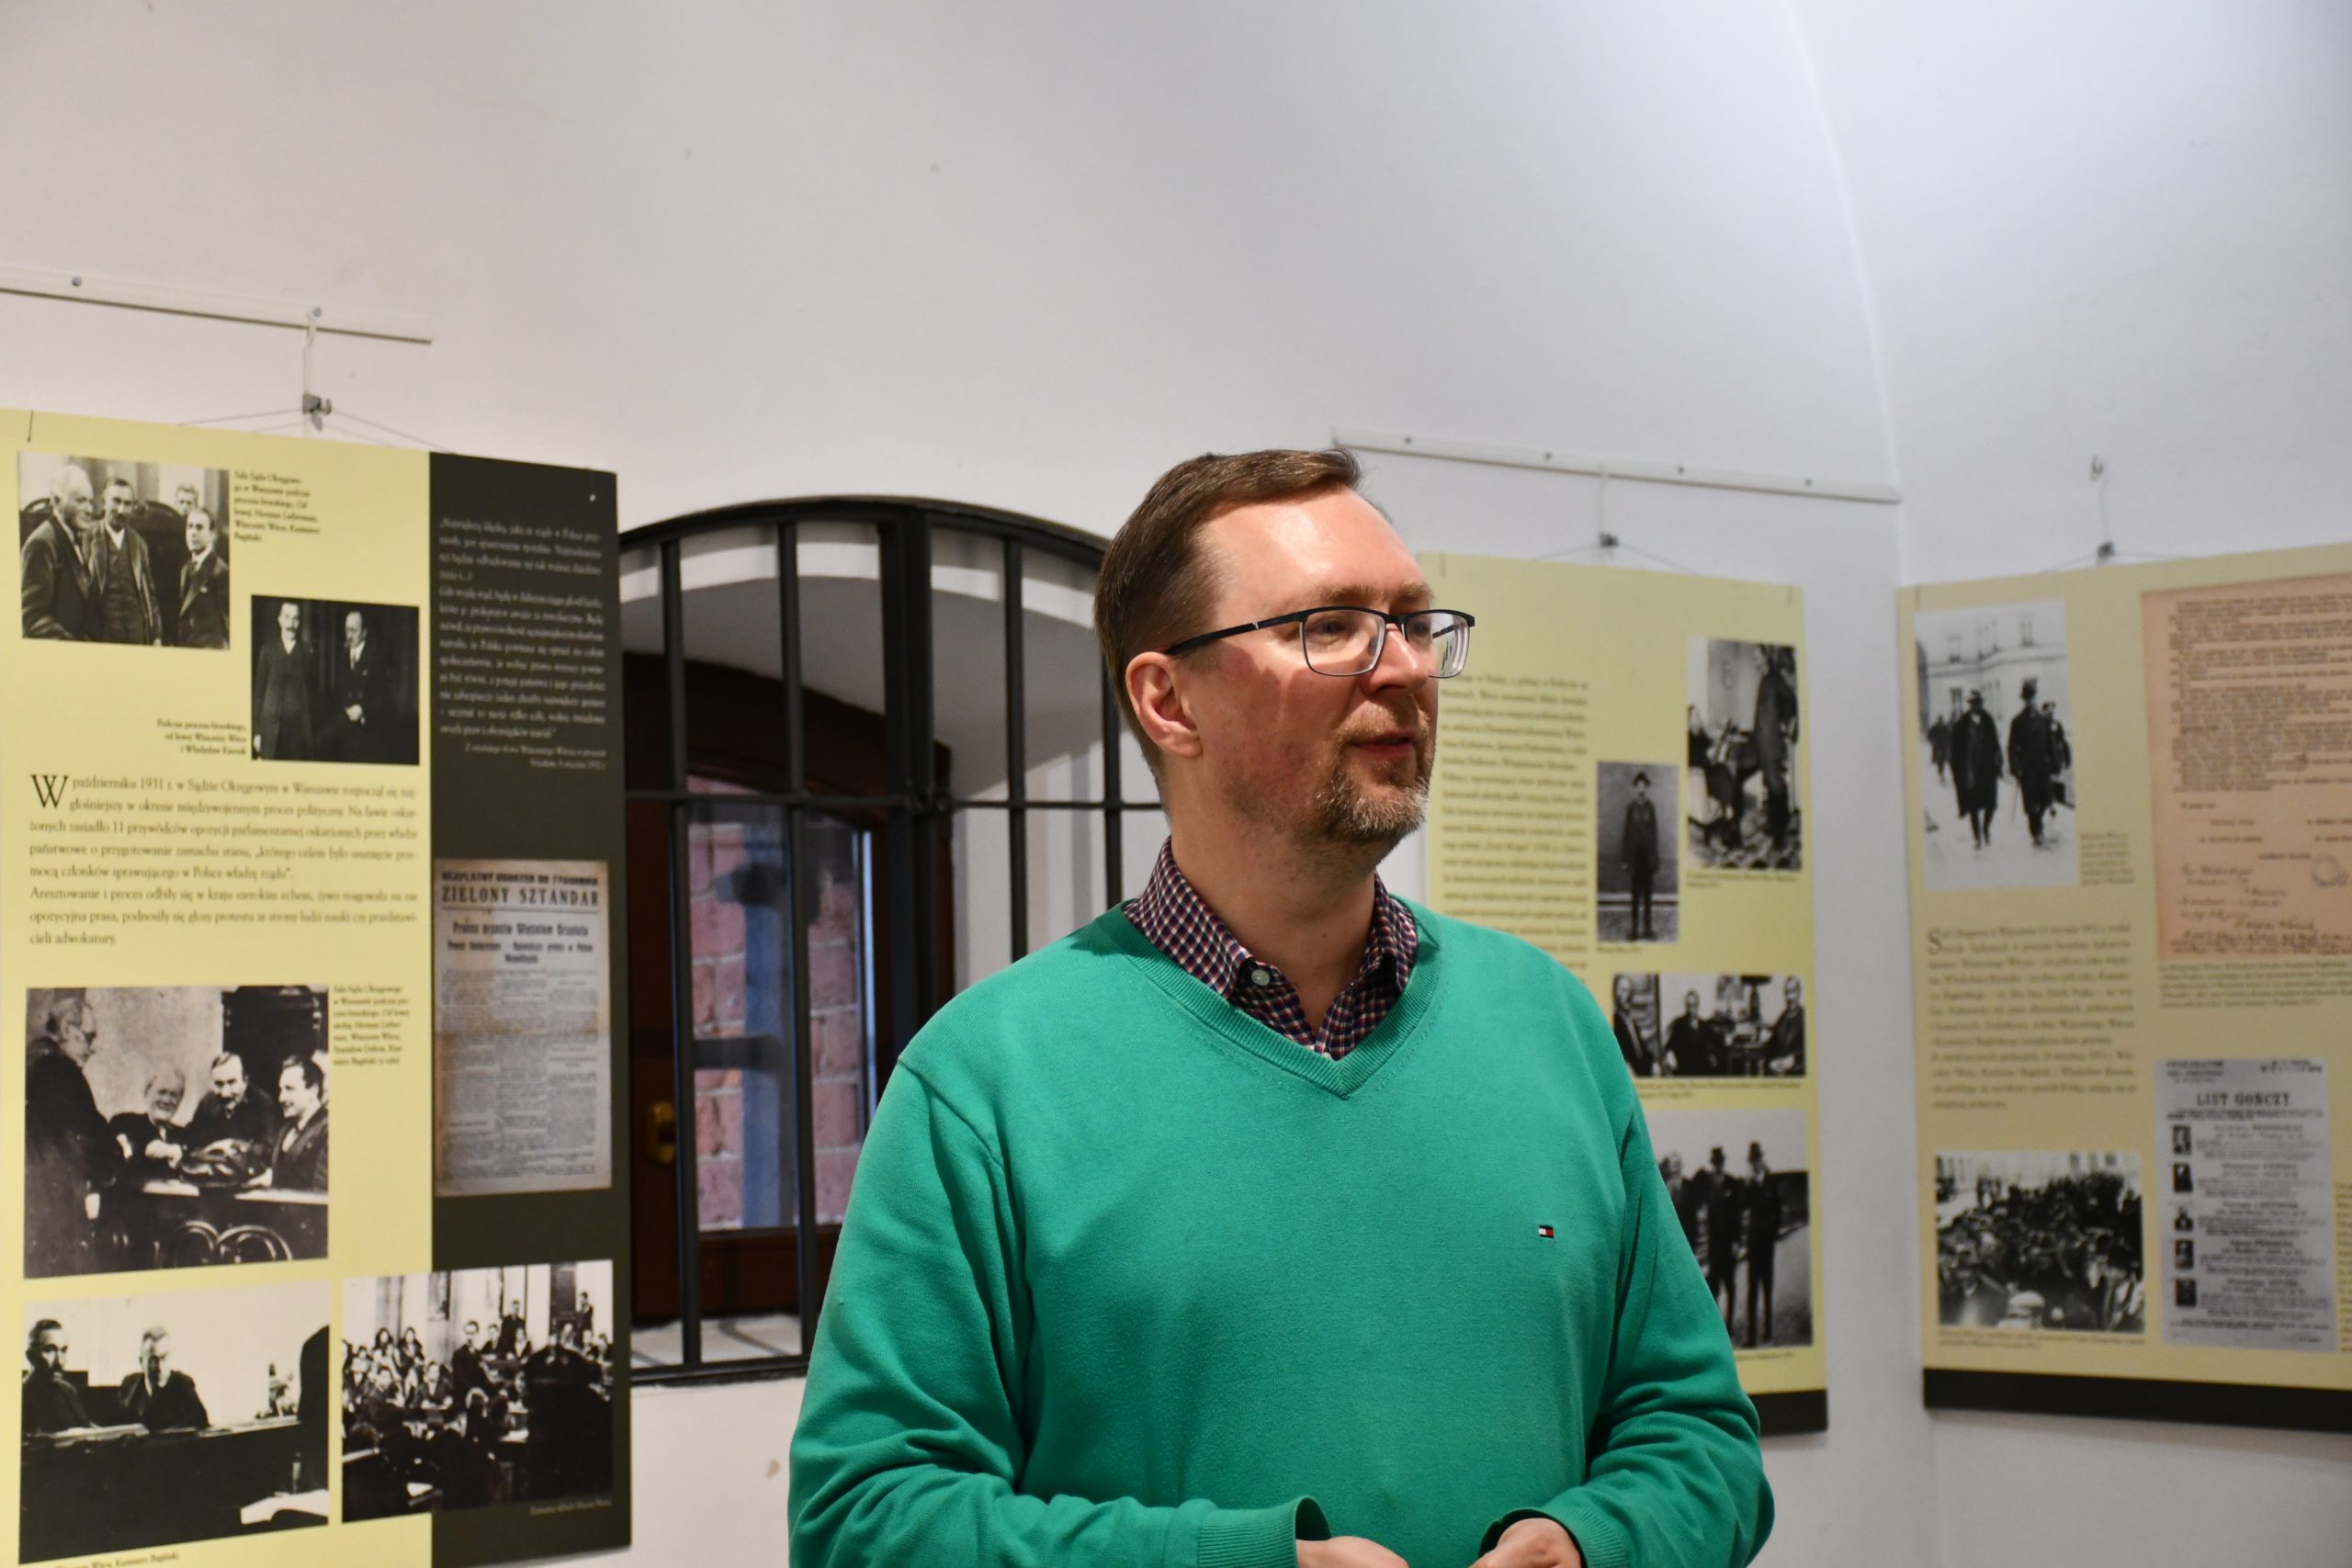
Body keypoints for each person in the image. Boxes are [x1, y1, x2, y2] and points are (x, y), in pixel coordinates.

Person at [789, 448, 1770, 1568]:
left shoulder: (1547, 1024)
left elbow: (1699, 1437)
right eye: (1331, 626)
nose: (1403, 666)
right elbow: (865, 1522)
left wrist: (1591, 1542)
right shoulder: (984, 1082)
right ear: (1169, 701)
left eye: (1411, 622)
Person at [25, 998, 118, 1276]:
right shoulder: (61, 1071)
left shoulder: (28, 1065)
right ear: (66, 1029)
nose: (92, 1047)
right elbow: (88, 1138)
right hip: (57, 1204)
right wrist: (117, 1154)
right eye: (88, 1037)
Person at [20, 465, 96, 639]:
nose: (89, 510)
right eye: (80, 500)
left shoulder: (74, 536)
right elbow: (33, 620)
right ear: (56, 501)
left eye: (90, 501)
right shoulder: (42, 544)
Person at [86, 477, 163, 645]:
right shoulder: (86, 537)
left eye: (127, 504)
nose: (121, 510)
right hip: (101, 636)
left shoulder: (139, 544)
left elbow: (149, 593)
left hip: (137, 635)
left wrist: (156, 635)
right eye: (116, 501)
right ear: (104, 503)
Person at [183, 1052, 277, 1168]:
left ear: (245, 1081)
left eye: (231, 1082)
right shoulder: (208, 1103)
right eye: (219, 1084)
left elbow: (269, 1149)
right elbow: (191, 1137)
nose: (225, 1093)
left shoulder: (262, 1103)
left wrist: (233, 1145)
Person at [329, 609, 395, 761]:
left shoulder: (377, 657)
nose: (349, 635)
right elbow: (338, 692)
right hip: (346, 722)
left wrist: (362, 709)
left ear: (364, 632)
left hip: (371, 725)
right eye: (347, 630)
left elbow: (383, 697)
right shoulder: (342, 657)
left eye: (354, 630)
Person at [1750, 646, 1798, 853]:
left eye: (1757, 656)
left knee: (1777, 787)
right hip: (1762, 745)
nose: (1755, 660)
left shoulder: (1775, 678)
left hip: (1772, 745)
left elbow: (1791, 700)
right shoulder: (1764, 680)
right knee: (1770, 787)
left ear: (1766, 657)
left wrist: (1785, 724)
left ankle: (1780, 835)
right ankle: (1773, 824)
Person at [254, 599, 313, 758]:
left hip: (297, 736)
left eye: (295, 619)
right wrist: (257, 733)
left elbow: (310, 699)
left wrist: (309, 736)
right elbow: (258, 695)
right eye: (287, 617)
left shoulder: (307, 654)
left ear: (299, 622)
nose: (291, 624)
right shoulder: (267, 651)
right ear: (279, 619)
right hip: (271, 733)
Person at [109, 1066, 190, 1183]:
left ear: (180, 1099)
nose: (167, 1100)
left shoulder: (184, 1135)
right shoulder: (124, 1123)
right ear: (147, 1092)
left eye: (173, 1095)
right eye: (162, 1092)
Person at [118, 1326, 209, 1429]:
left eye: (164, 1358)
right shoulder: (130, 1385)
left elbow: (201, 1426)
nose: (160, 1367)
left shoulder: (183, 1386)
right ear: (141, 1362)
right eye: (153, 1360)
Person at [263, 1055, 329, 1191]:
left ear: (313, 1090)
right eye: (281, 1090)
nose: (281, 1098)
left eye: (290, 1089)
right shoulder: (286, 1128)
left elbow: (322, 1192)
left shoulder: (328, 1129)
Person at [2007, 677, 2057, 846]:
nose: (2030, 701)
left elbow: (2051, 743)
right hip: (2027, 769)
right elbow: (2012, 747)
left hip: (2043, 766)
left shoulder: (2043, 720)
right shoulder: (2017, 721)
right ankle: (2036, 831)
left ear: (2035, 698)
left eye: (2032, 698)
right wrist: (2016, 768)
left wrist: (2056, 764)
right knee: (2031, 803)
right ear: (2024, 700)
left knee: (2045, 800)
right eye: (2027, 699)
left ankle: (2038, 825)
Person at [1948, 690, 2002, 849]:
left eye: (1979, 703)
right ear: (1970, 705)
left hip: (1987, 770)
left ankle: (1986, 829)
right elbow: (1955, 751)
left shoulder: (1988, 720)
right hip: (1970, 771)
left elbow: (1996, 745)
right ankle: (1977, 837)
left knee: (1991, 805)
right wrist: (1958, 771)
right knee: (1973, 806)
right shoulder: (1961, 724)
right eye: (1974, 703)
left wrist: (1998, 763)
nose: (1977, 706)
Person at [1742, 1144, 1783, 1348]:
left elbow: (1779, 1212)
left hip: (1767, 1246)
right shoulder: (1750, 1184)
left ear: (1761, 1160)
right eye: (1752, 1161)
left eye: (1757, 1160)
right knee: (1752, 1291)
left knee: (1767, 1288)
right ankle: (1751, 1336)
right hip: (1753, 1245)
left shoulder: (1771, 1182)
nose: (1755, 1163)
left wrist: (1772, 1234)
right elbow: (1742, 1205)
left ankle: (1767, 1331)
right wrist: (1747, 1184)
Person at [22, 1319, 92, 1436]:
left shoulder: (68, 1391)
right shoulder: (20, 1396)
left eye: (63, 1350)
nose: (60, 1361)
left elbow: (86, 1427)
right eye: (50, 1350)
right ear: (30, 1356)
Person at [175, 507, 230, 649]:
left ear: (212, 534)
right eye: (190, 527)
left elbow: (228, 625)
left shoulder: (221, 572)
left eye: (199, 528)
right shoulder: (186, 569)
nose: (193, 533)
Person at [1703, 1146, 1743, 1330]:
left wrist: (1737, 1241)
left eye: (1720, 1163)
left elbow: (1737, 1215)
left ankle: (1730, 1322)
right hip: (1714, 1247)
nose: (1718, 1166)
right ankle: (1717, 1325)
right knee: (1713, 1287)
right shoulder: (1709, 1186)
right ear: (1712, 1165)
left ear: (1723, 1164)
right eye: (1715, 1163)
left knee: (1730, 1285)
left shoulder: (1732, 1183)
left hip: (1728, 1245)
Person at [1622, 770, 1660, 941]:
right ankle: (1634, 930)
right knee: (1635, 896)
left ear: (1647, 788)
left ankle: (1648, 929)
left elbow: (1654, 833)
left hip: (1647, 858)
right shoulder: (1631, 808)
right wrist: (1625, 859)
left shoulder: (1651, 808)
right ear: (1635, 788)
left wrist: (1655, 857)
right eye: (1639, 786)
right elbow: (1626, 834)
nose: (1641, 789)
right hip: (1635, 859)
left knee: (1647, 896)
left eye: (1644, 786)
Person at [1663, 987, 1719, 1077]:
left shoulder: (1704, 1025)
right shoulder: (1679, 1024)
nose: (1691, 1009)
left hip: (1702, 1071)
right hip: (1684, 1071)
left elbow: (1711, 1046)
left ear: (1698, 1006)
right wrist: (1670, 1058)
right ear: (1686, 1006)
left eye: (1694, 1005)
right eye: (1689, 1005)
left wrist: (1712, 1057)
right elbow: (1669, 1047)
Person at [1609, 975, 1652, 1076]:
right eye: (1623, 990)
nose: (1628, 996)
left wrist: (1654, 1062)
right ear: (1615, 994)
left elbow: (1643, 1052)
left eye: (1630, 991)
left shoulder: (1632, 1023)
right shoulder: (1613, 1021)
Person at [1763, 976, 1805, 1077]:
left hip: (1797, 1073)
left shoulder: (1805, 1016)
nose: (1789, 997)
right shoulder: (1783, 1016)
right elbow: (1771, 1044)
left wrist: (1794, 1059)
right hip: (1779, 1072)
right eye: (1786, 992)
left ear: (1799, 993)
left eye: (1793, 991)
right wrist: (1772, 1062)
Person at [1928, 713, 1951, 783]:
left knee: (1942, 760)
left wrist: (1948, 742)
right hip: (1937, 747)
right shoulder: (1935, 728)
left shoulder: (1945, 728)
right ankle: (1941, 773)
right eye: (1939, 720)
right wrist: (1932, 741)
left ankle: (1941, 773)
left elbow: (1950, 735)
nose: (1940, 722)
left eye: (1941, 720)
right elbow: (1929, 735)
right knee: (1939, 761)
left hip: (1944, 747)